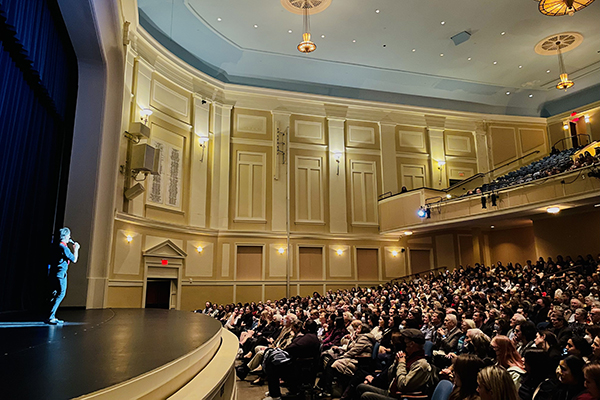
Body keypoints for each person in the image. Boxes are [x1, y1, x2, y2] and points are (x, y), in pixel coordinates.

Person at [357, 329, 435, 400]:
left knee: (366, 396)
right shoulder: (408, 357)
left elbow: (402, 385)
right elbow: (390, 375)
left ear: (412, 344)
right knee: (361, 387)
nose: (402, 344)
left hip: (402, 397)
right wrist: (396, 363)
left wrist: (401, 363)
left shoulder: (421, 364)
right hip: (392, 391)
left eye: (405, 341)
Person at [47, 227, 79, 325]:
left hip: (54, 273)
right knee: (61, 293)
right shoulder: (63, 248)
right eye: (69, 235)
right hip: (60, 274)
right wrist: (76, 249)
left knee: (55, 293)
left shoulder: (57, 246)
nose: (70, 237)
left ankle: (50, 315)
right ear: (65, 236)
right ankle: (51, 316)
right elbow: (74, 259)